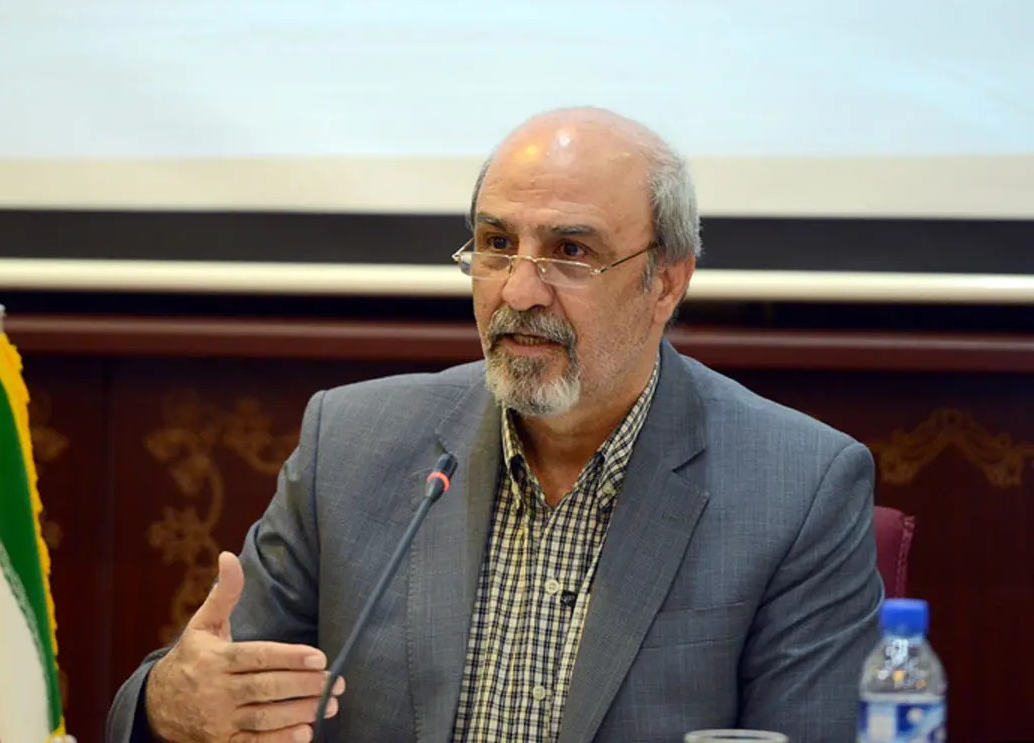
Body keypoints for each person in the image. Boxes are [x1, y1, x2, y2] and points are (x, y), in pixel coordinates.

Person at [106, 107, 883, 743]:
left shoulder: (797, 489)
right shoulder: (350, 444)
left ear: (666, 283)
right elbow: (207, 693)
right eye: (497, 245)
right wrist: (171, 706)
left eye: (570, 251)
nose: (519, 291)